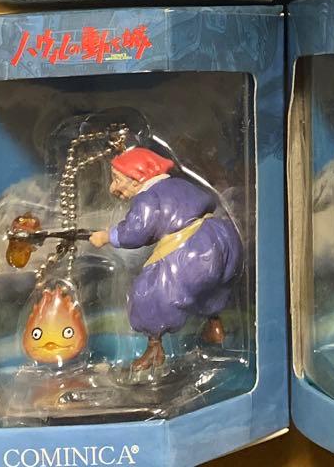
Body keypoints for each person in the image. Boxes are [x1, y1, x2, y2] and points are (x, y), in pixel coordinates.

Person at [89, 146, 243, 370]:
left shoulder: (147, 198)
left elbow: (137, 232)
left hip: (191, 248)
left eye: (117, 180)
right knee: (212, 288)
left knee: (151, 290)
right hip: (223, 238)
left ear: (136, 179)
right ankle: (215, 326)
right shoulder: (180, 184)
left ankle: (154, 347)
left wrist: (107, 236)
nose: (113, 188)